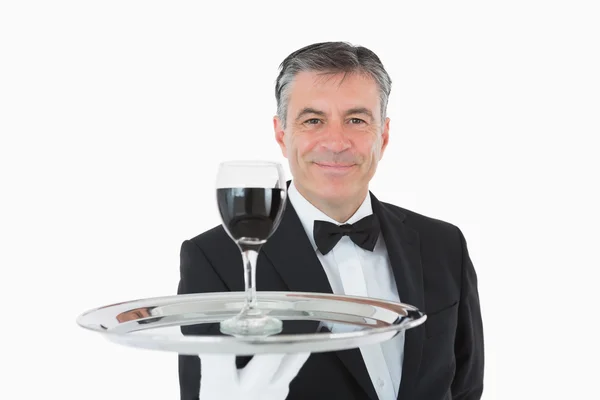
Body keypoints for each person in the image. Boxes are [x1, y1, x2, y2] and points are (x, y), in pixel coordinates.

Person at [177, 41, 484, 400]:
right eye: (313, 120)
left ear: (382, 135)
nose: (336, 142)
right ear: (281, 133)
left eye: (356, 120)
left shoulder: (444, 244)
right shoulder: (215, 259)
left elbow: (466, 387)